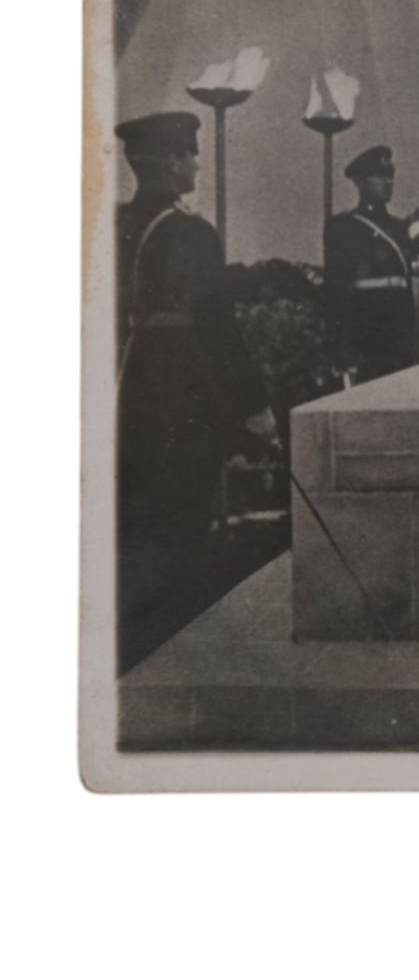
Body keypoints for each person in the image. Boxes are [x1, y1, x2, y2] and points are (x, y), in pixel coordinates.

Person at [114, 111, 274, 669]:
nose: (198, 165)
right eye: (191, 155)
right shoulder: (190, 232)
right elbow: (218, 327)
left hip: (132, 387)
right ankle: (178, 651)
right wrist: (255, 406)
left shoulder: (115, 224)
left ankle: (135, 645)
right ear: (172, 161)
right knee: (183, 520)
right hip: (184, 396)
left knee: (138, 520)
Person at [323, 145, 416, 383]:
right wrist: (340, 344)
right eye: (379, 176)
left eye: (390, 176)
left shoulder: (399, 228)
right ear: (360, 182)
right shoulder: (343, 227)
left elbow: (406, 288)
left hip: (400, 332)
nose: (387, 183)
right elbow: (335, 289)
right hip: (366, 331)